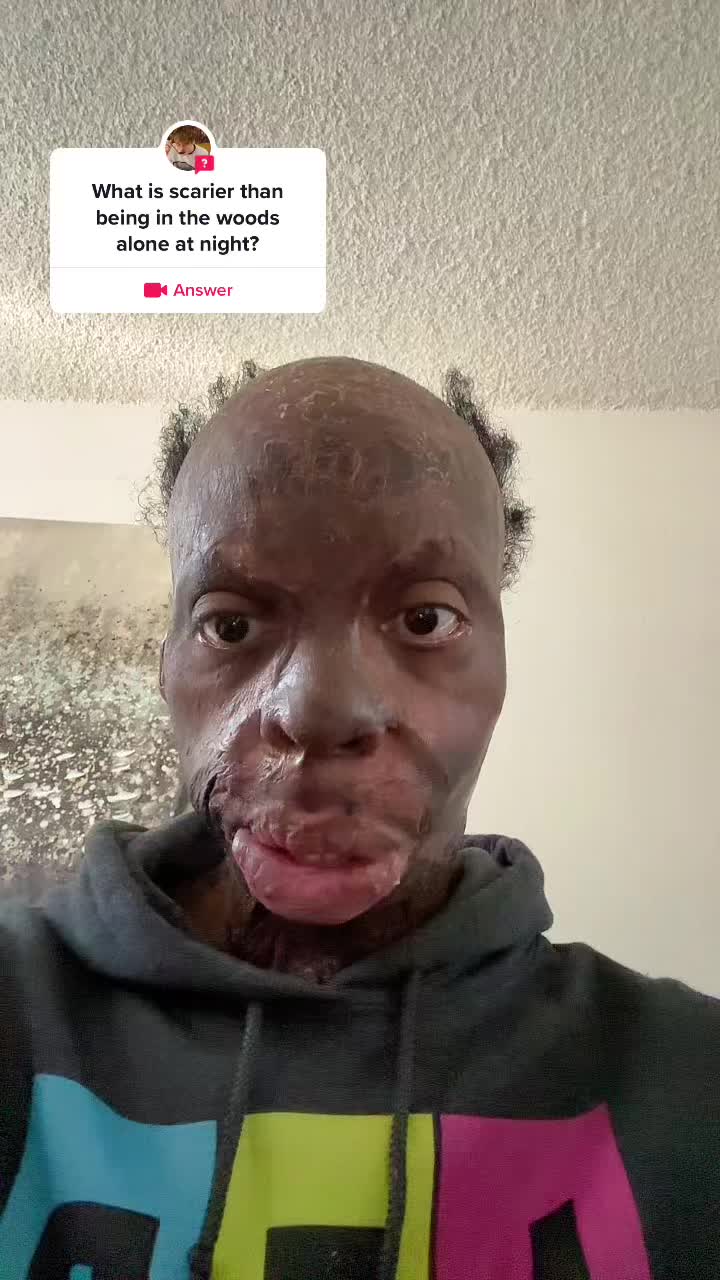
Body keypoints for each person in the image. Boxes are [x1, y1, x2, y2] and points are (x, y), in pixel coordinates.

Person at [0, 356, 718, 1280]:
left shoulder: (689, 1079)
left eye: (425, 620)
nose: (321, 711)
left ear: (501, 666)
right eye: (231, 625)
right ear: (166, 661)